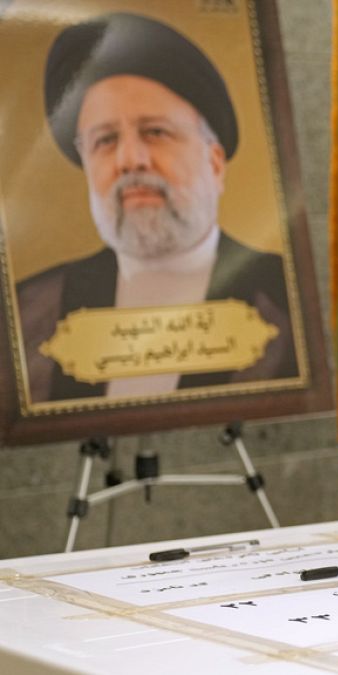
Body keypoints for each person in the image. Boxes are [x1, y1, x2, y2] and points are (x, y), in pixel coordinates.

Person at [17, 12, 296, 403]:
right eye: (105, 140)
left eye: (155, 132)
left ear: (214, 164)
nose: (131, 160)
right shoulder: (27, 311)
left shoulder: (287, 299)